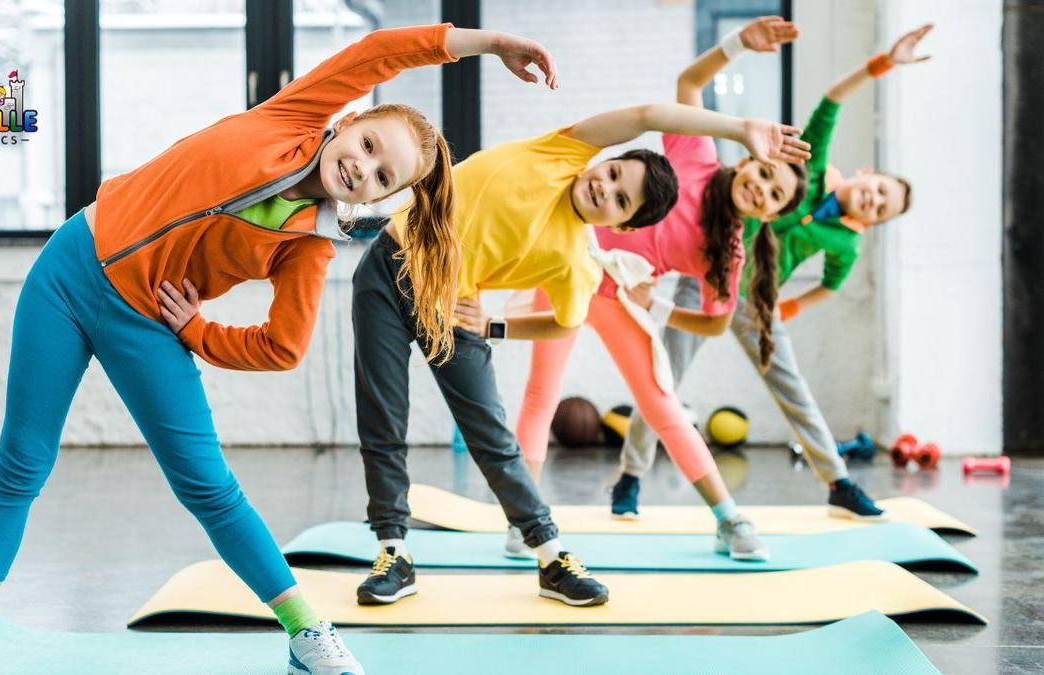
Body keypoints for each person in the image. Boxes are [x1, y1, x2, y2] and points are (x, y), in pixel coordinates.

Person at [0, 23, 558, 675]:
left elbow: (283, 346)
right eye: (367, 144)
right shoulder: (291, 115)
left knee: (208, 485)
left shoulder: (307, 246)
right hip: (68, 270)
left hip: (146, 321)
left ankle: (307, 633)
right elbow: (379, 54)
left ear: (377, 197)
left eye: (380, 175)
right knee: (24, 460)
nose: (362, 166)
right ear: (345, 121)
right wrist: (490, 44)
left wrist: (195, 331)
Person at [353, 28, 808, 607]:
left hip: (466, 300)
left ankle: (550, 550)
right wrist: (740, 126)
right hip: (387, 264)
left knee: (493, 430)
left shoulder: (585, 260)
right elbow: (650, 111)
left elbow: (569, 323)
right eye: (614, 174)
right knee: (384, 418)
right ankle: (394, 550)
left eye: (621, 200)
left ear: (621, 226)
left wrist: (491, 326)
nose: (605, 187)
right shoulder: (564, 151)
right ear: (606, 159)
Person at [513, 15, 809, 562]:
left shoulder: (729, 251)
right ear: (753, 159)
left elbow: (717, 322)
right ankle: (526, 521)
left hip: (614, 296)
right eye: (767, 174)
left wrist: (660, 306)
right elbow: (689, 86)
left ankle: (730, 518)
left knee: (660, 402)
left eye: (772, 196)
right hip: (564, 269)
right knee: (541, 394)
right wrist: (739, 43)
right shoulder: (698, 159)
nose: (760, 187)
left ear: (770, 217)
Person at [612, 22, 930, 522]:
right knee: (662, 374)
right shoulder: (810, 165)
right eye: (877, 190)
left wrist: (787, 306)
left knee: (791, 385)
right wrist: (885, 63)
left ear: (875, 221)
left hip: (757, 297)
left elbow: (829, 286)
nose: (872, 200)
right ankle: (630, 476)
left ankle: (838, 482)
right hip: (708, 272)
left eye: (880, 208)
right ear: (866, 175)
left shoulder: (846, 245)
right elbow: (831, 98)